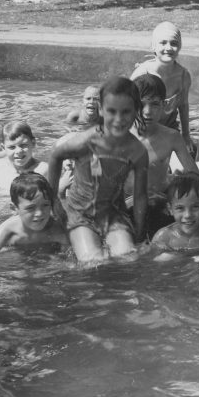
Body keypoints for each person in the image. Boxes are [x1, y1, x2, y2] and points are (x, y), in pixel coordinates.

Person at [48, 77, 149, 262]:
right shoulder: (86, 141)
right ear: (101, 109)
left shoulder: (137, 152)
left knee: (129, 258)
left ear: (136, 110)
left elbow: (140, 195)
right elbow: (55, 155)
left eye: (126, 112)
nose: (118, 119)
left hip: (113, 215)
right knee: (93, 262)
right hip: (80, 214)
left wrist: (140, 233)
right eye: (112, 111)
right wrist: (53, 201)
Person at [129, 74, 198, 238]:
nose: (147, 112)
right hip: (126, 205)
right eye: (141, 104)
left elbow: (196, 178)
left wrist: (179, 190)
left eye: (154, 104)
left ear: (164, 105)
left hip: (159, 203)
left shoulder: (172, 137)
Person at [130, 22, 193, 149]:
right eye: (163, 43)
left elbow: (184, 106)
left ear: (180, 46)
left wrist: (186, 136)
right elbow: (127, 106)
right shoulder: (142, 74)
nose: (168, 48)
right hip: (142, 132)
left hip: (169, 130)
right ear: (153, 46)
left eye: (174, 43)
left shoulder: (183, 76)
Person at [0, 173, 68, 254]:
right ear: (14, 208)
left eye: (45, 205)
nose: (39, 213)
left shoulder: (56, 230)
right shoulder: (8, 230)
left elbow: (68, 254)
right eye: (30, 208)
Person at [151, 171, 199, 256]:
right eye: (180, 208)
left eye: (195, 207)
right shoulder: (163, 237)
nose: (188, 215)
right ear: (170, 209)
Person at [0, 121, 49, 191]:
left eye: (23, 145)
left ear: (33, 143)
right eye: (12, 147)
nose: (18, 151)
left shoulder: (43, 170)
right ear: (3, 148)